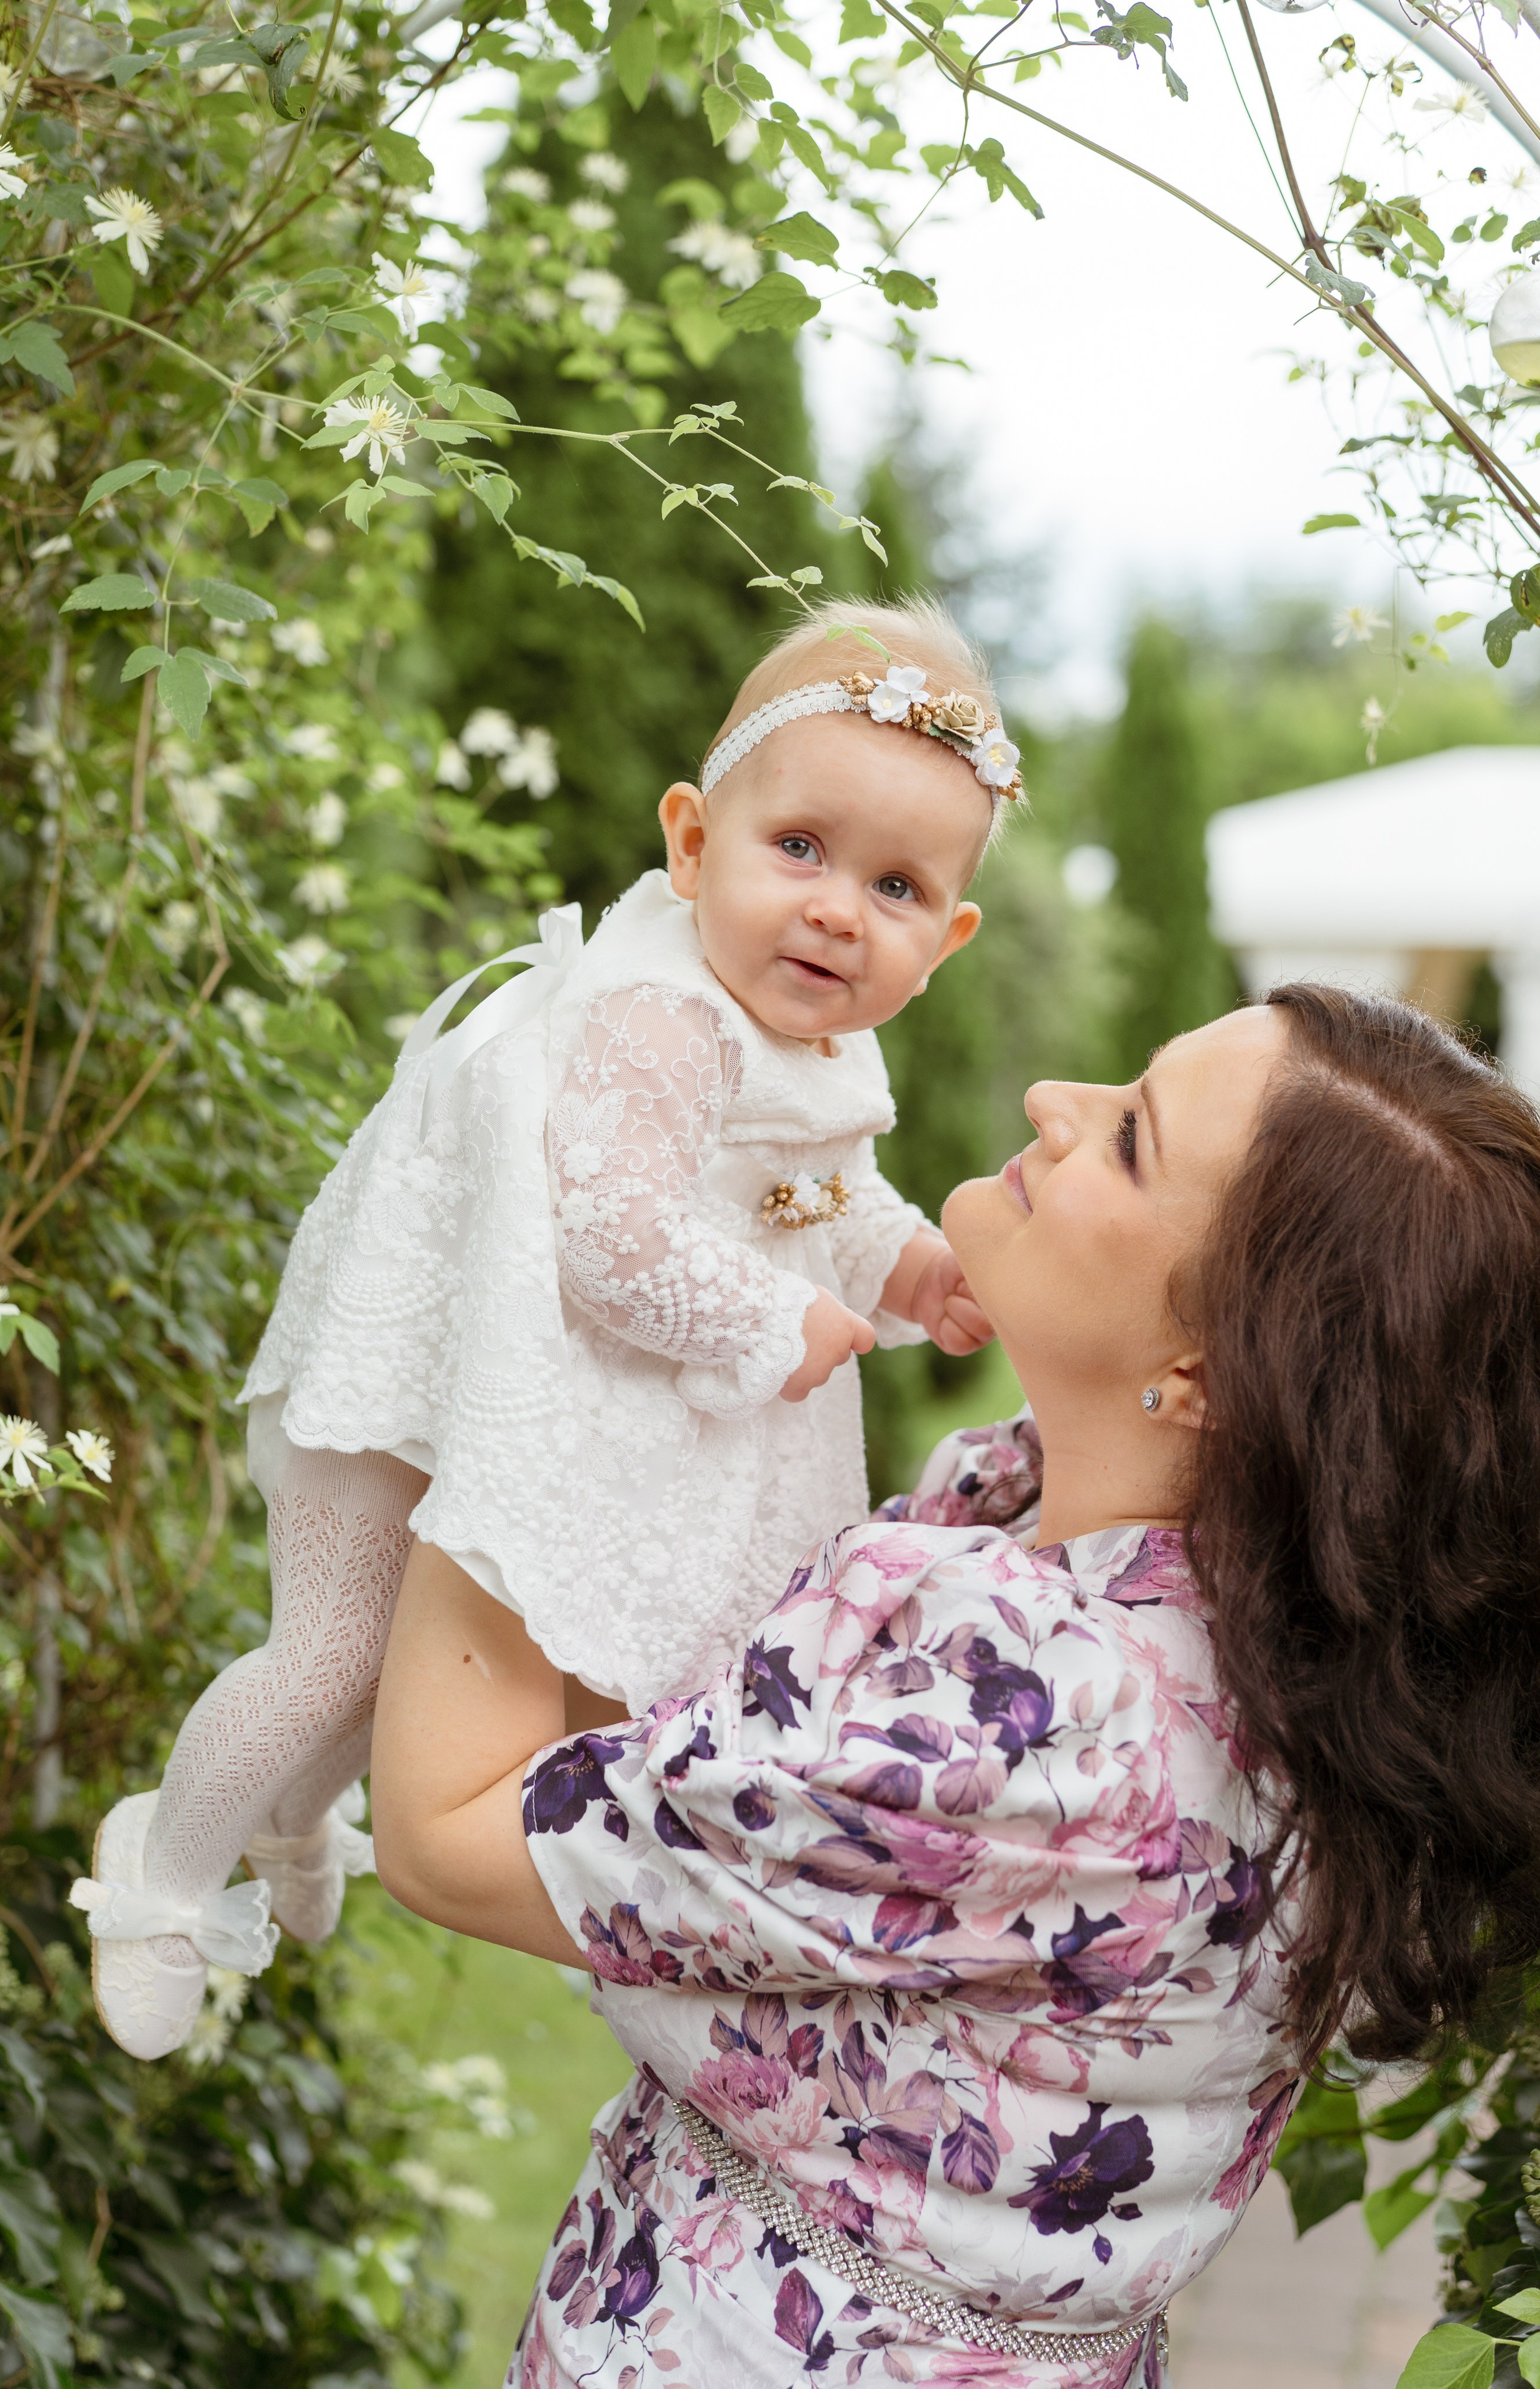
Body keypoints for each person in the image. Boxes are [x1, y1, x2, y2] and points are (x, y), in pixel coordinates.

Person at [368, 985, 1540, 2388]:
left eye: (1127, 1140)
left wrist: (524, 1298)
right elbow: (688, 1786)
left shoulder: (1039, 1717)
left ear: (1214, 1363)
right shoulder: (1261, 1634)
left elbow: (450, 1831)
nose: (1057, 1102)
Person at [73, 598, 1019, 2059]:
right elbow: (614, 1244)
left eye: (894, 886)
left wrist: (908, 1270)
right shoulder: (662, 1017)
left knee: (397, 1657)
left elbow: (819, 1189)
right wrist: (783, 1322)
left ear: (946, 938)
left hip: (492, 1387)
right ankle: (163, 1866)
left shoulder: (817, 1032)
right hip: (401, 1374)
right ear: (693, 842)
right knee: (330, 1653)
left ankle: (294, 1815)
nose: (837, 907)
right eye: (799, 850)